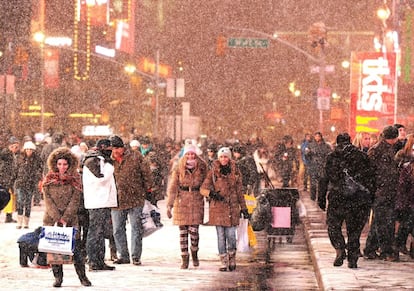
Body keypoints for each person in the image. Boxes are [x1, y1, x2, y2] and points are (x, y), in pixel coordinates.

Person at [319, 133, 376, 268]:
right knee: (354, 230)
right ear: (350, 141)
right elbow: (372, 178)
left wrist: (321, 199)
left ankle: (339, 248)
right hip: (358, 199)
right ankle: (353, 257)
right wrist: (371, 197)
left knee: (333, 225)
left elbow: (323, 179)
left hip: (337, 198)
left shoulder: (332, 157)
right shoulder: (362, 156)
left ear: (337, 142)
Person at [42, 147, 91, 287]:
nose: (62, 167)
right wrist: (57, 217)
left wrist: (66, 216)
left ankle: (82, 277)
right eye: (59, 164)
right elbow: (48, 201)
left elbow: (75, 200)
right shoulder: (49, 179)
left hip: (71, 219)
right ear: (55, 165)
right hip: (52, 219)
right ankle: (58, 278)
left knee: (76, 250)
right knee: (55, 249)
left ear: (69, 164)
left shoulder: (75, 179)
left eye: (65, 164)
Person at [200, 147, 249, 272]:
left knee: (231, 236)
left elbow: (239, 192)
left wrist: (244, 208)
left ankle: (232, 258)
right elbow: (203, 189)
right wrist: (212, 194)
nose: (223, 159)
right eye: (221, 157)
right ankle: (223, 260)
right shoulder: (212, 173)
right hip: (218, 209)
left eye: (226, 156)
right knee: (221, 237)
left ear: (229, 157)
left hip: (232, 209)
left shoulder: (236, 173)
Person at [110, 135, 153, 266]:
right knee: (117, 229)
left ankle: (135, 256)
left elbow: (146, 173)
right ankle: (123, 255)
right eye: (113, 148)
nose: (115, 151)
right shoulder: (108, 160)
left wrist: (148, 189)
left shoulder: (136, 156)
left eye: (117, 148)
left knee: (136, 228)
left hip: (135, 198)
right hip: (116, 200)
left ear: (123, 147)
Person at [166, 144, 208, 269]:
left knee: (194, 231)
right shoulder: (179, 167)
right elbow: (173, 185)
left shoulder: (202, 166)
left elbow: (207, 183)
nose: (190, 156)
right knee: (183, 232)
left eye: (192, 154)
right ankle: (184, 257)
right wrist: (170, 204)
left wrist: (209, 196)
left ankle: (194, 251)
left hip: (196, 198)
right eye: (188, 154)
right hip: (182, 200)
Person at [363, 125, 400, 261]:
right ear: (393, 138)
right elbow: (386, 173)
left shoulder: (376, 149)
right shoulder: (384, 151)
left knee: (379, 221)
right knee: (384, 222)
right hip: (384, 191)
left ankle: (370, 249)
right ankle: (386, 251)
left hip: (380, 191)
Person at [82, 139, 117, 271]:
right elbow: (101, 178)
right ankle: (93, 261)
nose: (111, 151)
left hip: (102, 200)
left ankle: (99, 260)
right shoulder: (93, 161)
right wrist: (109, 165)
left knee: (100, 232)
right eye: (109, 148)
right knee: (95, 232)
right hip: (97, 201)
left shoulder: (99, 159)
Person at [14, 141, 43, 229]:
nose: (29, 151)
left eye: (31, 149)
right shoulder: (20, 158)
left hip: (30, 183)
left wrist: (37, 178)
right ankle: (19, 222)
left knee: (28, 203)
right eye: (27, 149)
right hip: (20, 183)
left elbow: (39, 170)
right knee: (20, 202)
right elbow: (15, 170)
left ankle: (26, 222)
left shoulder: (36, 159)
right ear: (24, 149)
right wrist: (15, 180)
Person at [394, 133, 414, 255]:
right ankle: (400, 244)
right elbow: (402, 186)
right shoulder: (406, 165)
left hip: (409, 199)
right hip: (409, 200)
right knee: (407, 223)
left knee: (408, 223)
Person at [305, 132, 332, 201]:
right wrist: (308, 154)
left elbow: (329, 154)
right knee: (313, 184)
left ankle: (320, 199)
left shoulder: (325, 146)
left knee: (321, 184)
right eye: (316, 136)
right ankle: (313, 198)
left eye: (318, 136)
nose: (317, 138)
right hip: (313, 166)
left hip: (322, 167)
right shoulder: (310, 145)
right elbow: (307, 156)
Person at [0, 136, 20, 223]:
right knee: (5, 198)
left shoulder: (12, 155)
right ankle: (8, 216)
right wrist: (7, 179)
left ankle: (9, 216)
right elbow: (4, 169)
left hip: (9, 180)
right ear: (10, 146)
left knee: (9, 198)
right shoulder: (6, 155)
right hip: (5, 181)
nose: (15, 149)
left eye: (16, 147)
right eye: (13, 146)